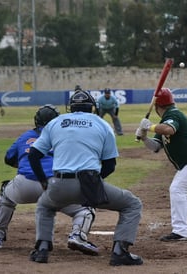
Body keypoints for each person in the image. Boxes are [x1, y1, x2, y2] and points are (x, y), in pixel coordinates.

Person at [27, 88, 143, 266]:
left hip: (59, 183)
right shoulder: (103, 124)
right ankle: (120, 252)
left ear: (70, 107)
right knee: (132, 204)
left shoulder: (56, 122)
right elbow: (110, 165)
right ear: (92, 107)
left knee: (45, 205)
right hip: (89, 183)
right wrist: (95, 183)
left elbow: (33, 155)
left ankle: (42, 249)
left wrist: (44, 181)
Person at [0, 104, 98, 257]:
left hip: (24, 184)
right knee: (85, 208)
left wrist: (26, 165)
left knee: (6, 196)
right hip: (56, 186)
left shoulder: (25, 136)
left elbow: (9, 158)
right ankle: (77, 235)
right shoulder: (65, 137)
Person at [135, 88, 187, 242]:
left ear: (158, 107)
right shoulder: (166, 118)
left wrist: (149, 127)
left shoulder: (173, 114)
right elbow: (156, 147)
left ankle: (181, 231)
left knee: (177, 189)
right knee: (178, 187)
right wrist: (145, 137)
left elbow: (169, 130)